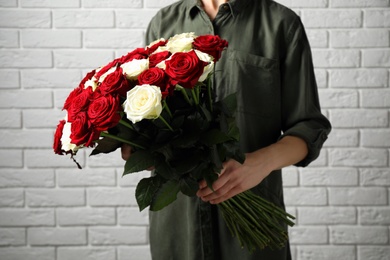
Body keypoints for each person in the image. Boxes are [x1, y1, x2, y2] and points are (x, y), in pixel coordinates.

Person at [121, 0, 331, 259]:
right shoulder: (164, 22)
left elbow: (308, 125)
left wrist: (259, 163)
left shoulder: (281, 24)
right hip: (177, 226)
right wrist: (136, 140)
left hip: (253, 224)